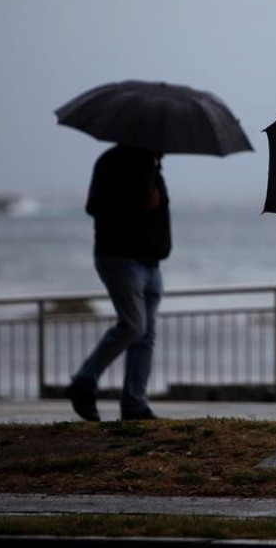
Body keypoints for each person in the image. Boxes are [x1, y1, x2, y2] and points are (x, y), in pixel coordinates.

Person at [65, 144, 171, 422]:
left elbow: (157, 212)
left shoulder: (152, 165)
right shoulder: (113, 161)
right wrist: (139, 195)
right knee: (133, 326)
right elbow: (95, 207)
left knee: (145, 335)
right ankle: (84, 381)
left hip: (151, 262)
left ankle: (134, 403)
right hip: (120, 258)